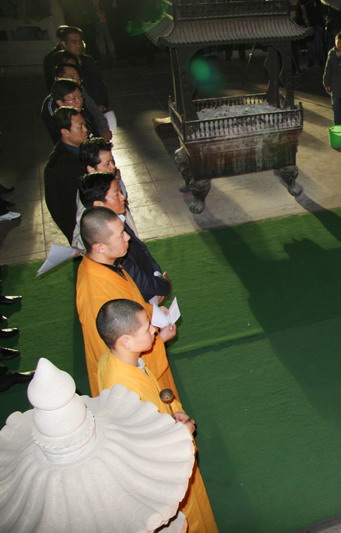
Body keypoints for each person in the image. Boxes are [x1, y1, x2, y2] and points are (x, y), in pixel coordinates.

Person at [95, 298, 218, 533]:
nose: (154, 329)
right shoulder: (125, 391)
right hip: (167, 478)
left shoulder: (115, 360)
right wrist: (182, 434)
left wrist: (176, 410)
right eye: (146, 328)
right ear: (126, 341)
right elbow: (145, 447)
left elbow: (157, 396)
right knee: (192, 520)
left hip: (168, 430)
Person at [76, 206, 179, 397]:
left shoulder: (108, 264)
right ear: (100, 247)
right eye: (120, 235)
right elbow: (113, 351)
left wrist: (153, 312)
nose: (128, 238)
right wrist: (160, 340)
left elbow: (130, 298)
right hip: (132, 385)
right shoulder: (95, 296)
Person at [79, 172, 171, 302]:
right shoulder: (110, 244)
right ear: (99, 205)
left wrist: (156, 273)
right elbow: (137, 279)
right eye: (116, 194)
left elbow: (142, 251)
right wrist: (162, 287)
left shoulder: (116, 221)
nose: (123, 197)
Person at [44, 106, 89, 242]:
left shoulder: (80, 148)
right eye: (80, 126)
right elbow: (59, 208)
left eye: (85, 124)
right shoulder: (61, 166)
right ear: (65, 132)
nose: (85, 129)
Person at [41, 79, 101, 143]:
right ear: (60, 103)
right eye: (73, 99)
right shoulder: (55, 118)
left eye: (80, 96)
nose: (79, 101)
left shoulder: (78, 105)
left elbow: (91, 120)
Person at [323, 32, 341, 126]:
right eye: (339, 42)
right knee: (335, 107)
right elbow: (327, 69)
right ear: (335, 42)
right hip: (334, 85)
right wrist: (326, 83)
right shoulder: (331, 53)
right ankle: (336, 125)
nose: (340, 45)